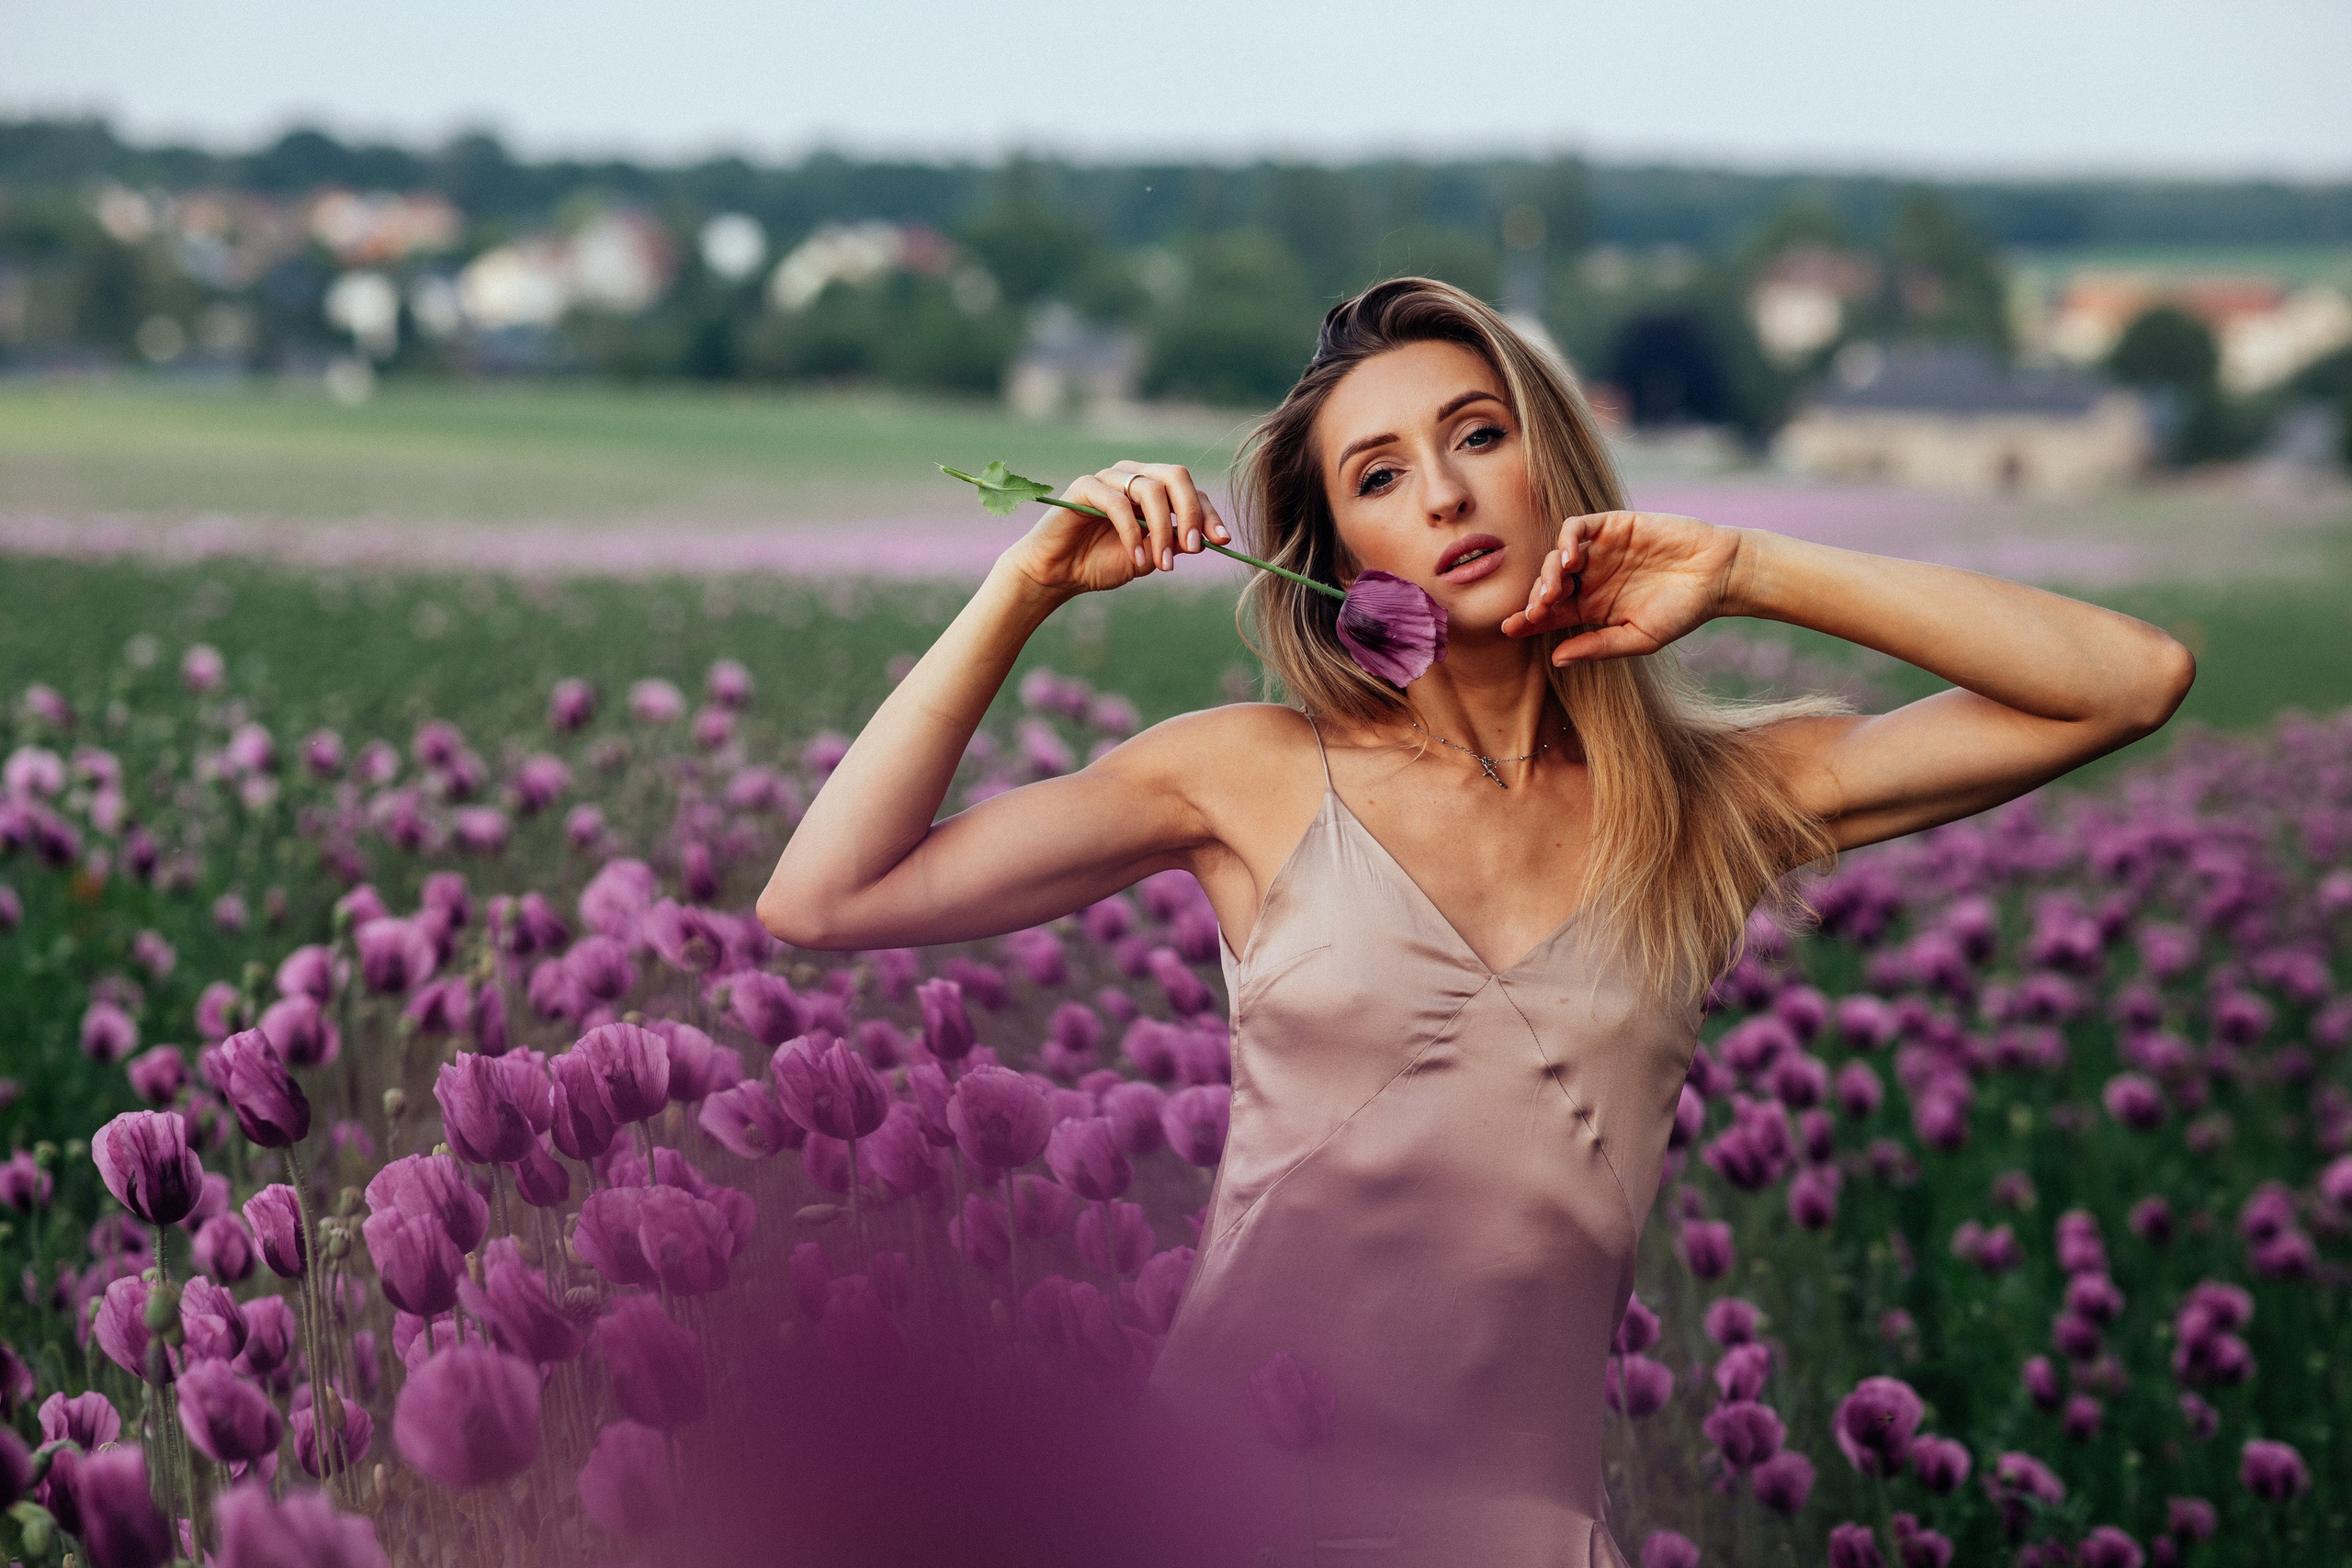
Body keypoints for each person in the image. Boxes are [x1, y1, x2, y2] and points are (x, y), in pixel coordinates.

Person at [756, 277, 2193, 1565]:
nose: (1444, 494)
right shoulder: (1247, 776)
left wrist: (1749, 567)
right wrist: (1023, 588)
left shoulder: (1713, 809)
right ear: (1338, 547)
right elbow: (828, 894)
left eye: (1479, 435)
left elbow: (2127, 682)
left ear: (1550, 458)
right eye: (1381, 475)